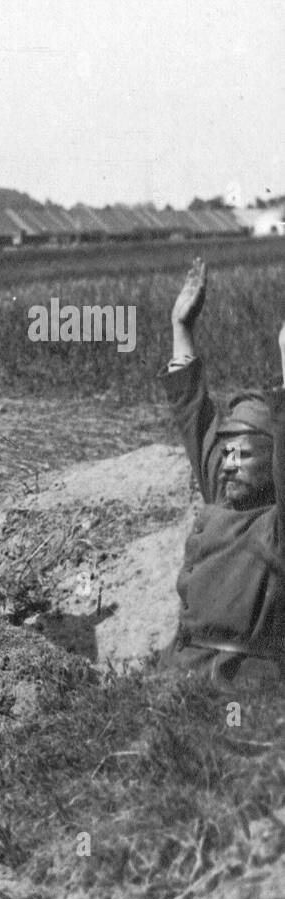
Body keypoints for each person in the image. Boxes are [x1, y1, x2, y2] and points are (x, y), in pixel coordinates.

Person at [159, 257, 285, 691]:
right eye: (225, 451)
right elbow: (191, 411)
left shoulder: (276, 523)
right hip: (182, 664)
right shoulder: (222, 493)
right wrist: (181, 327)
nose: (227, 461)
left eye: (242, 453)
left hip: (239, 677)